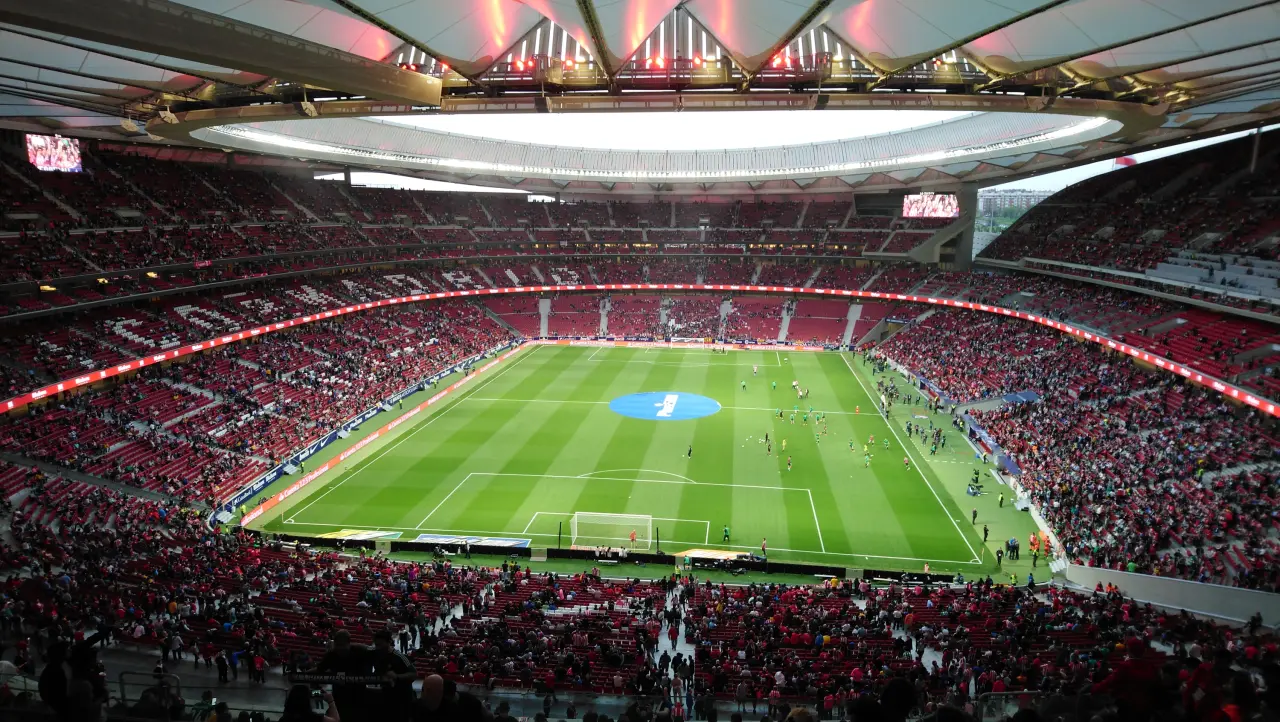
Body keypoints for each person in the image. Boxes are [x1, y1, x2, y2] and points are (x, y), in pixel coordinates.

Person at [371, 629, 416, 721]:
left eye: (381, 644)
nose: (378, 648)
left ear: (389, 642)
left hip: (402, 699)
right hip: (387, 697)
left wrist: (396, 676)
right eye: (376, 645)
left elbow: (414, 674)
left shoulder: (400, 657)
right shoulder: (377, 655)